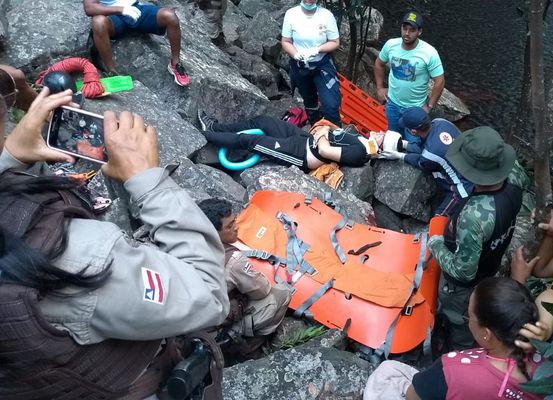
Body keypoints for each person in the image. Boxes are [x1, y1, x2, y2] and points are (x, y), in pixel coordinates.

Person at [0, 88, 229, 397]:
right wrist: (149, 181)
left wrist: (8, 164)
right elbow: (209, 294)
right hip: (131, 380)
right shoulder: (74, 257)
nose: (7, 99)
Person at [427, 126, 528, 350]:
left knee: (458, 319)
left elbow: (464, 272)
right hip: (491, 260)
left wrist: (435, 244)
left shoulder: (473, 216)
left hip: (463, 286)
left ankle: (458, 349)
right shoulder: (515, 176)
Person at [364, 277, 544, 400]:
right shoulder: (546, 366)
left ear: (486, 334)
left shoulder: (451, 369)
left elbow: (413, 396)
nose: (467, 317)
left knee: (388, 370)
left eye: (469, 315)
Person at [198, 198, 292, 352]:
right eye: (229, 226)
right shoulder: (233, 261)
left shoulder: (187, 242)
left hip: (190, 318)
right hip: (210, 327)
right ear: (212, 232)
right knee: (282, 293)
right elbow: (262, 290)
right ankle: (245, 343)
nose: (236, 226)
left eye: (234, 221)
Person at [198, 111, 397, 171]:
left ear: (380, 147)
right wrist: (329, 127)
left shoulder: (360, 153)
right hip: (304, 138)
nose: (379, 131)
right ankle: (217, 128)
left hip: (300, 154)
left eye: (382, 135)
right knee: (263, 120)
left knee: (251, 141)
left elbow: (326, 151)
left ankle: (202, 134)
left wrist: (323, 132)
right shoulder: (362, 141)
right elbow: (339, 134)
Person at [380, 106, 473, 216]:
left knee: (439, 217)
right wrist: (405, 145)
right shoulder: (440, 122)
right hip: (472, 168)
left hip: (462, 187)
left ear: (413, 131)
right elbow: (426, 147)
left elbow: (421, 161)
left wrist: (399, 155)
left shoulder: (430, 155)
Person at [374, 11, 445, 144]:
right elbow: (379, 63)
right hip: (392, 104)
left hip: (415, 109)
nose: (407, 33)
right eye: (404, 28)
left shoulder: (429, 53)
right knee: (393, 139)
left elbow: (439, 81)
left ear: (419, 32)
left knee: (413, 143)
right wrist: (379, 88)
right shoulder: (391, 45)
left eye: (412, 30)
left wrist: (429, 106)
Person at [83, 0, 190, 86]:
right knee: (98, 22)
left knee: (170, 16)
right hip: (112, 16)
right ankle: (111, 72)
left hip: (135, 8)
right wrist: (121, 9)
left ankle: (175, 63)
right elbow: (89, 8)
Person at [281, 0, 341, 125]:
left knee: (331, 104)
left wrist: (317, 49)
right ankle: (316, 129)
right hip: (300, 65)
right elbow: (286, 41)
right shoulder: (291, 14)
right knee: (309, 101)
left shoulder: (326, 15)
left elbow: (335, 42)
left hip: (321, 64)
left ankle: (337, 133)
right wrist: (295, 54)